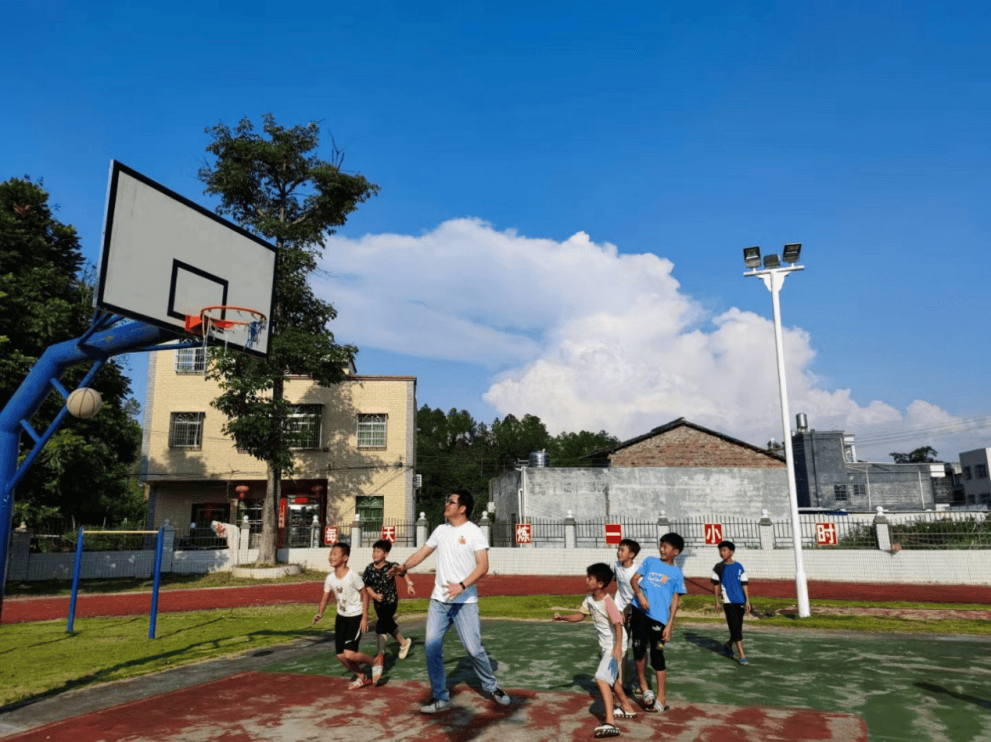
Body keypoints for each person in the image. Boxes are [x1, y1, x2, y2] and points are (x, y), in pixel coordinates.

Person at [390, 489, 511, 713]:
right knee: (432, 647)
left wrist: (462, 586)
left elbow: (483, 566)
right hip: (439, 602)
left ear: (462, 508)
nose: (446, 504)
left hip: (466, 602)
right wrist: (404, 566)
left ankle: (492, 687)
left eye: (451, 502)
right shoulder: (440, 530)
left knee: (474, 650)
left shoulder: (474, 532)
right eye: (447, 501)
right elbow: (422, 553)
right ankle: (441, 698)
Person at [554, 563, 639, 738]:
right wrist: (563, 617)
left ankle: (610, 722)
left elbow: (618, 623)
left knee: (601, 679)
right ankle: (627, 708)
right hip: (606, 646)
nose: (586, 580)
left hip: (615, 645)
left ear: (600, 584)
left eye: (590, 578)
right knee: (612, 679)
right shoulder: (589, 599)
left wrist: (617, 648)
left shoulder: (608, 602)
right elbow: (580, 615)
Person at [629, 532, 686, 713]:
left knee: (657, 657)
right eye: (661, 544)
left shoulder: (676, 573)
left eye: (666, 546)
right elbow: (634, 580)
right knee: (638, 651)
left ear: (675, 551)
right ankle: (645, 688)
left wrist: (669, 625)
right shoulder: (650, 561)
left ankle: (661, 697)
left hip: (659, 619)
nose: (662, 548)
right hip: (639, 612)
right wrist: (640, 596)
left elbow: (676, 599)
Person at [312, 542, 377, 690]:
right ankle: (361, 676)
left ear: (345, 558)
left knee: (350, 654)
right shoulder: (330, 578)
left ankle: (374, 662)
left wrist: (365, 618)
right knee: (341, 656)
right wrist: (320, 613)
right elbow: (325, 597)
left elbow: (365, 595)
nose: (331, 557)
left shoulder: (353, 576)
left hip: (355, 617)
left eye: (335, 554)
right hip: (341, 618)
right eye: (331, 554)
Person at [362, 538, 416, 681]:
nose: (374, 554)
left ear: (385, 554)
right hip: (378, 604)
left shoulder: (392, 566)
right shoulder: (369, 568)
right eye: (374, 551)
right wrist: (373, 595)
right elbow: (367, 585)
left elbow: (403, 573)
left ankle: (380, 657)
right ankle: (404, 643)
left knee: (381, 624)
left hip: (391, 602)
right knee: (386, 623)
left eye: (378, 551)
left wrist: (409, 584)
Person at [711, 540, 751, 666]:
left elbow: (744, 585)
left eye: (724, 550)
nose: (722, 553)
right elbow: (716, 586)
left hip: (740, 601)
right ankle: (741, 655)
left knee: (737, 628)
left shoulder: (739, 566)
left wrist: (748, 601)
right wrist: (717, 601)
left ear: (731, 552)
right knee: (735, 628)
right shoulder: (718, 567)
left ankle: (728, 645)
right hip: (728, 602)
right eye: (720, 550)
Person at [612, 538, 640, 695]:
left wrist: (628, 609)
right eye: (618, 549)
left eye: (622, 550)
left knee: (639, 648)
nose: (618, 552)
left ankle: (638, 681)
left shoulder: (638, 571)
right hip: (619, 612)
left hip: (636, 611)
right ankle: (620, 682)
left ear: (632, 554)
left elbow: (639, 594)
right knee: (621, 647)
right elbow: (618, 586)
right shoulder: (616, 566)